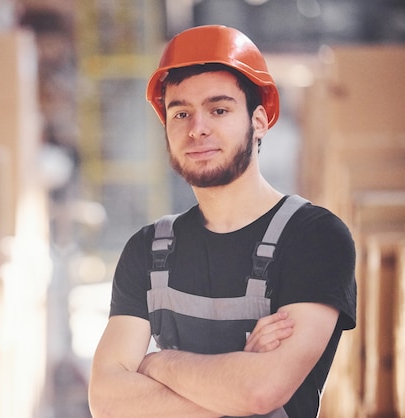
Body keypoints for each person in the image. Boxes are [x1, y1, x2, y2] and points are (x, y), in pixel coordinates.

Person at [88, 25, 356, 418]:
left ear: (260, 121)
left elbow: (260, 392)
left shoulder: (314, 239)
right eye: (181, 113)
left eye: (219, 109)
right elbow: (107, 401)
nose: (197, 128)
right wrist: (234, 377)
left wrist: (158, 365)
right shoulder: (147, 251)